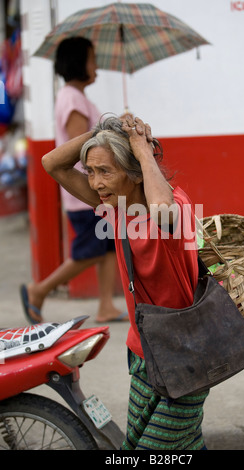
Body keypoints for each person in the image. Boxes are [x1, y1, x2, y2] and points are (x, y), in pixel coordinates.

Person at [41, 114, 209, 450]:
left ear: (133, 174)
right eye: (90, 171)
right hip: (143, 353)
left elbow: (161, 208)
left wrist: (141, 148)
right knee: (178, 446)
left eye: (105, 171)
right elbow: (52, 164)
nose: (95, 182)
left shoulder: (176, 207)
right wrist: (108, 129)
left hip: (186, 356)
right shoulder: (117, 209)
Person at [20, 37, 127, 325]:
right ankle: (39, 289)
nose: (96, 67)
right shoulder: (73, 99)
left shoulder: (76, 96)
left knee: (105, 245)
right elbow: (83, 152)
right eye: (92, 59)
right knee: (90, 250)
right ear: (78, 63)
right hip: (86, 192)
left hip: (91, 188)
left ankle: (106, 304)